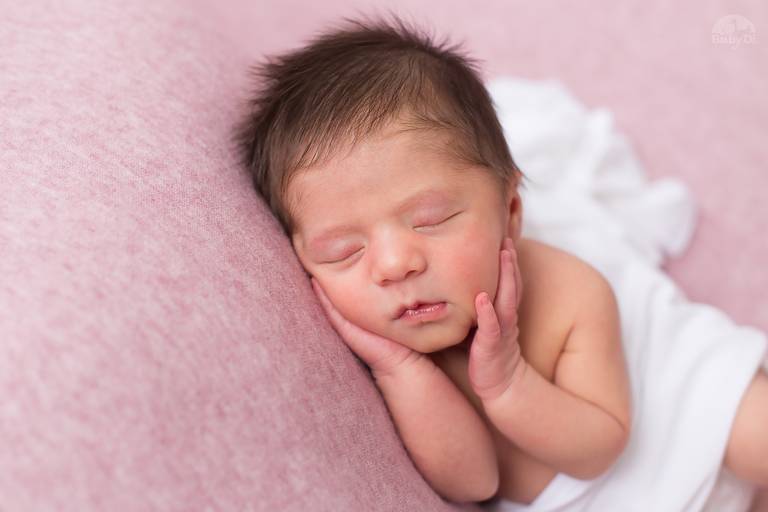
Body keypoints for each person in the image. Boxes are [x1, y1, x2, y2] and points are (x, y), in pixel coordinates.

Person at [231, 12, 768, 509]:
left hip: (680, 411)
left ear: (509, 212)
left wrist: (508, 382)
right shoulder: (396, 349)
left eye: (431, 219)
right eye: (344, 252)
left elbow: (599, 448)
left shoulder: (569, 290)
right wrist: (400, 368)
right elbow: (474, 482)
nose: (394, 265)